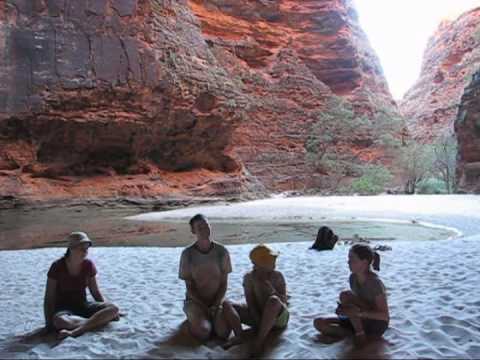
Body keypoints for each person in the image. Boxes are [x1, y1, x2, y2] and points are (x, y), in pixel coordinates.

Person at [44, 232, 119, 339]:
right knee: (59, 321)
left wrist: (106, 308)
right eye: (81, 247)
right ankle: (96, 322)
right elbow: (49, 297)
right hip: (64, 310)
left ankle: (77, 330)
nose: (85, 251)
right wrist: (48, 324)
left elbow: (95, 292)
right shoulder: (57, 266)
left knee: (114, 308)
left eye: (86, 247)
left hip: (83, 306)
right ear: (71, 248)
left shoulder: (88, 265)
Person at [313, 244, 389, 346]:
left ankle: (360, 334)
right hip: (358, 319)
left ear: (364, 262)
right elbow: (356, 305)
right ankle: (354, 335)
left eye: (352, 259)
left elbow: (384, 316)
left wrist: (359, 313)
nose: (348, 262)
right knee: (319, 322)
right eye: (348, 259)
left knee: (345, 295)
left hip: (375, 323)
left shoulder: (375, 283)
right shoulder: (353, 278)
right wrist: (343, 311)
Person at [223, 244, 289, 356]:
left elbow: (283, 301)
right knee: (226, 304)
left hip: (278, 318)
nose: (274, 261)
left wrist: (271, 290)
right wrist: (256, 317)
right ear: (261, 264)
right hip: (258, 315)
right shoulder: (249, 278)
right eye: (271, 259)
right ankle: (239, 335)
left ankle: (259, 341)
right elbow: (250, 302)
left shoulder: (277, 276)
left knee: (273, 300)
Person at [179, 214, 232, 341]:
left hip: (217, 300)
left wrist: (215, 304)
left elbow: (224, 283)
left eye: (206, 225)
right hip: (195, 301)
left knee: (223, 333)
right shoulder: (187, 254)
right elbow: (189, 287)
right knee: (204, 332)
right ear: (193, 231)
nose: (204, 229)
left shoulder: (222, 251)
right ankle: (195, 319)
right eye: (200, 227)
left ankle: (207, 319)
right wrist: (203, 306)